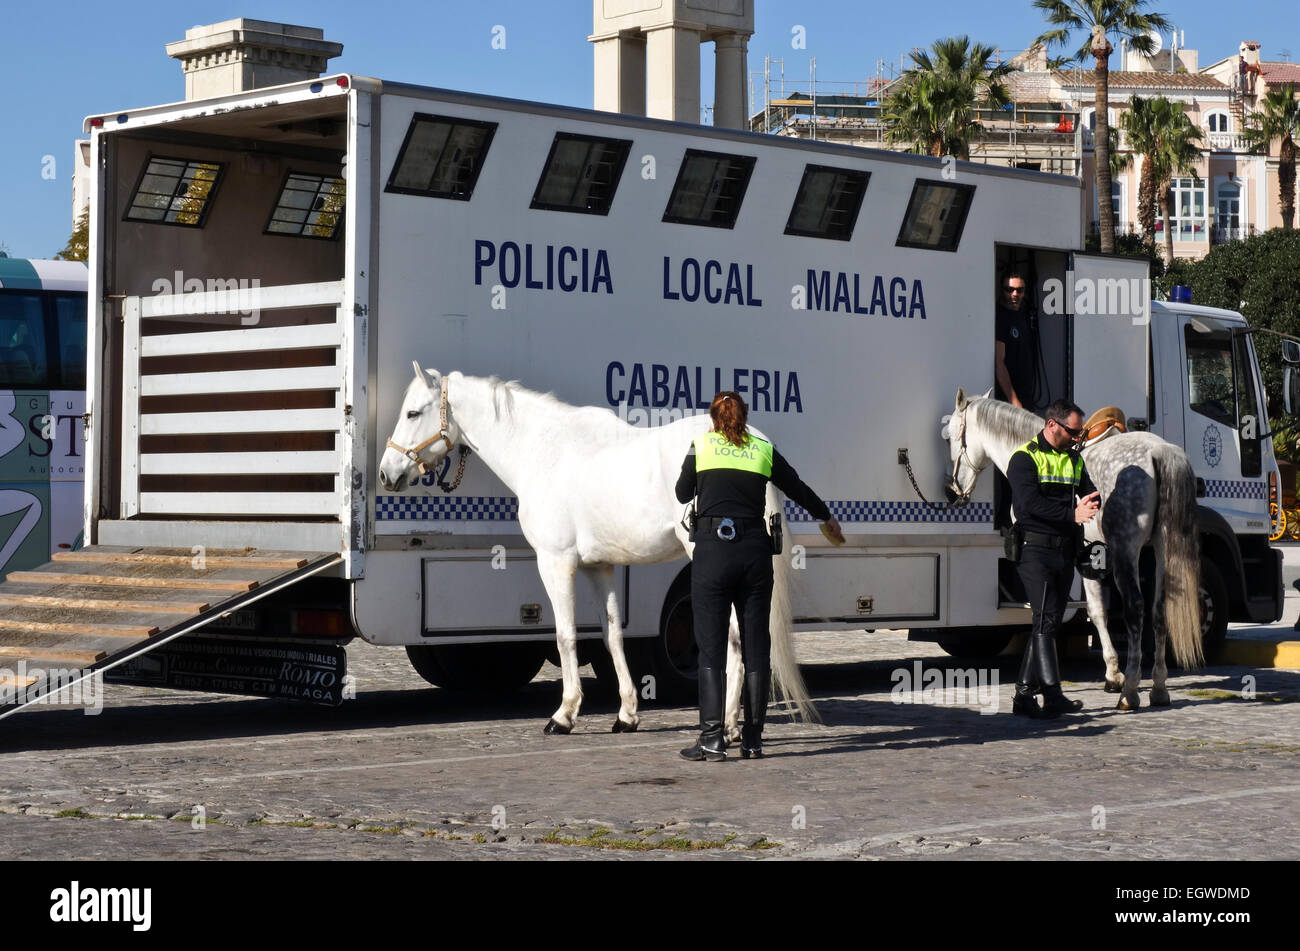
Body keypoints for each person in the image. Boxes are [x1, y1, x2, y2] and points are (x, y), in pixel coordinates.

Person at [675, 392, 844, 761]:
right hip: (754, 554)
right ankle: (752, 738)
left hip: (713, 554)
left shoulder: (701, 446)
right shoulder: (762, 450)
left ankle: (711, 739)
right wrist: (825, 516)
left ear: (714, 419)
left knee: (712, 649)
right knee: (756, 648)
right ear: (745, 418)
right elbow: (796, 487)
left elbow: (681, 492)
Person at [1007, 398, 1100, 719]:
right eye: (1073, 432)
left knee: (1047, 624)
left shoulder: (1075, 460)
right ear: (1051, 425)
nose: (1078, 438)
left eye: (1080, 432)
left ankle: (1022, 695)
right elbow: (1028, 507)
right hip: (1034, 550)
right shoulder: (1024, 459)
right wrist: (1072, 513)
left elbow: (1089, 491)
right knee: (1046, 621)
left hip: (1065, 551)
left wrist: (1093, 501)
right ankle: (1052, 694)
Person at [994, 270, 1036, 410]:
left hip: (1026, 397)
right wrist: (1014, 401)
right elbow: (999, 362)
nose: (1015, 294)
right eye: (1009, 289)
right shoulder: (1000, 317)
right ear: (1002, 290)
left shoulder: (1023, 314)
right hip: (1009, 402)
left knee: (1033, 433)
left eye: (1019, 290)